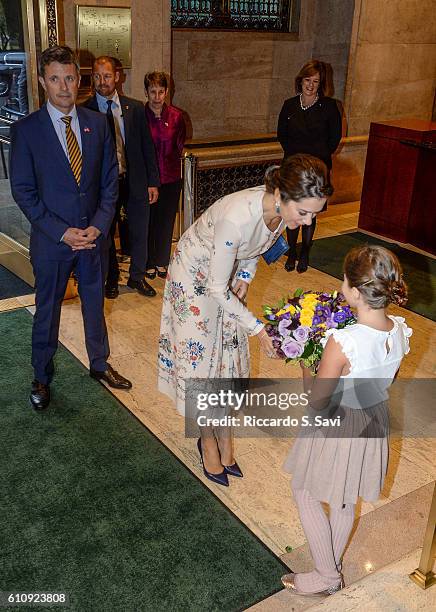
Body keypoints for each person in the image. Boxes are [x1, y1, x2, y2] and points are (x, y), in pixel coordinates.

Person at [158, 154, 333, 486]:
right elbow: (214, 286)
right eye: (305, 212)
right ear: (281, 196)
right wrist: (257, 328)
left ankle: (224, 435)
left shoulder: (282, 211)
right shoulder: (237, 219)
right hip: (195, 277)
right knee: (203, 363)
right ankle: (206, 438)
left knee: (227, 358)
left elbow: (258, 247)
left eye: (314, 214)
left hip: (226, 271)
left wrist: (248, 273)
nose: (309, 222)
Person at [281, 245, 412, 595]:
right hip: (374, 419)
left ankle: (325, 575)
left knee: (305, 492)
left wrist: (307, 364)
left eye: (344, 279)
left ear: (354, 291)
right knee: (343, 498)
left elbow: (318, 400)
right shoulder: (399, 331)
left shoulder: (343, 341)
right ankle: (331, 569)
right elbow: (388, 381)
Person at [9, 46, 132, 411]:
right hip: (52, 242)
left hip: (93, 239)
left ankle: (99, 363)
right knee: (48, 310)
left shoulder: (98, 124)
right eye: (55, 79)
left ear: (79, 80)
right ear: (43, 82)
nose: (63, 87)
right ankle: (41, 375)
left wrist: (98, 225)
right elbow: (24, 192)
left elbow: (111, 181)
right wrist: (62, 232)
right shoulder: (26, 131)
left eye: (69, 77)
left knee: (95, 304)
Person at [83, 56, 160, 299]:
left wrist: (152, 182)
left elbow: (147, 147)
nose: (102, 81)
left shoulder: (135, 108)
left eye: (106, 76)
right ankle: (112, 279)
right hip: (104, 186)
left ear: (117, 76)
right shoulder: (85, 110)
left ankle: (137, 277)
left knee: (140, 230)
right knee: (106, 234)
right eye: (97, 76)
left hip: (134, 180)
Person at [277, 59, 342, 273]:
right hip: (293, 169)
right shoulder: (289, 105)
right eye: (307, 80)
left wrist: (318, 161)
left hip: (317, 171)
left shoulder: (330, 107)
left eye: (316, 81)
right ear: (300, 81)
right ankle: (292, 251)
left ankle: (305, 251)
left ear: (321, 84)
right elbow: (282, 135)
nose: (311, 85)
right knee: (292, 211)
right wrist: (295, 160)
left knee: (309, 214)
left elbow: (334, 139)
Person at [144, 71, 186, 281]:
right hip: (148, 180)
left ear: (167, 92)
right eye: (153, 92)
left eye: (161, 92)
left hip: (171, 178)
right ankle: (148, 262)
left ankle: (162, 261)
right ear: (147, 92)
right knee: (149, 221)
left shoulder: (177, 116)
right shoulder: (139, 115)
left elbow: (179, 146)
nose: (157, 97)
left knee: (166, 221)